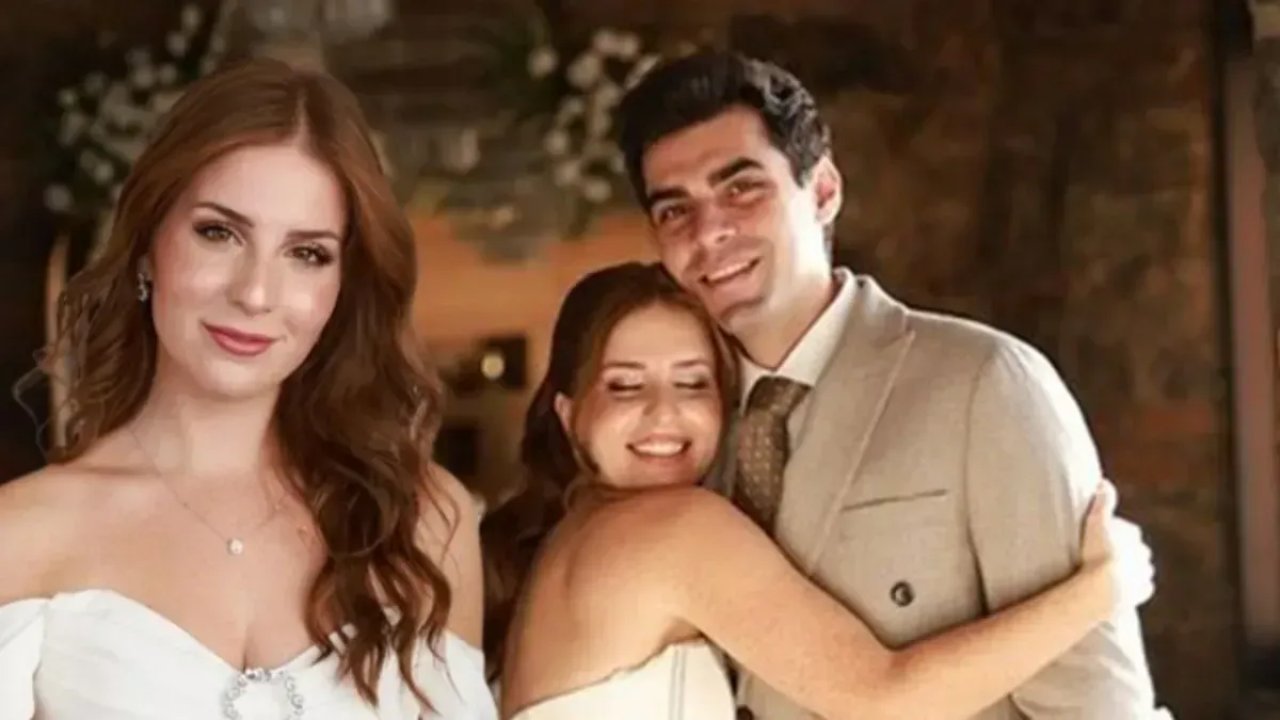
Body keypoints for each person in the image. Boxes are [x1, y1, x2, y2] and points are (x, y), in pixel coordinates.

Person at [610, 50, 1161, 718]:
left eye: (741, 189)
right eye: (675, 211)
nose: (709, 232)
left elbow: (1096, 707)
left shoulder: (984, 385)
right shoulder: (678, 437)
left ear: (823, 191)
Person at [0, 59, 496, 720]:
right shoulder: (20, 535)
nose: (256, 293)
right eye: (219, 233)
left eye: (307, 253)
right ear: (147, 246)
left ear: (342, 286)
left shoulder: (422, 521)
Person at [483, 262, 1153, 720]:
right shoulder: (673, 530)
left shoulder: (574, 536)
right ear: (569, 414)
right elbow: (881, 700)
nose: (665, 413)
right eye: (626, 385)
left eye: (692, 383)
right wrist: (1098, 592)